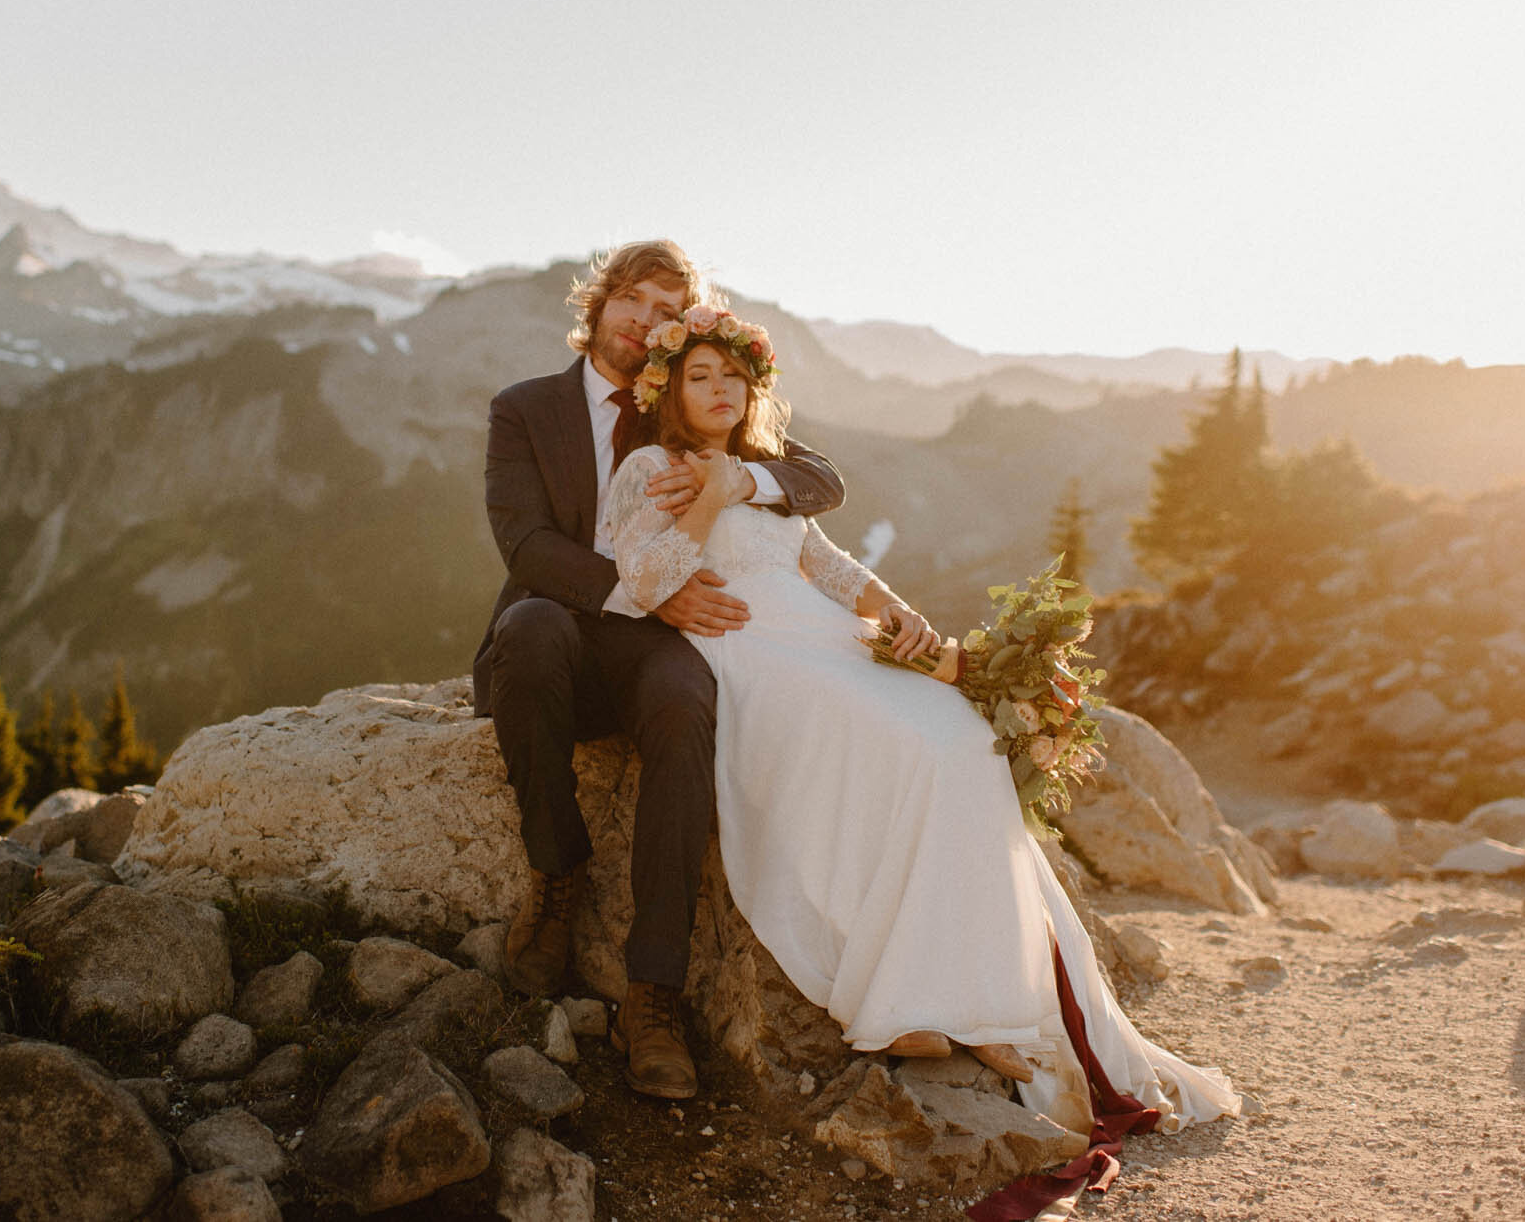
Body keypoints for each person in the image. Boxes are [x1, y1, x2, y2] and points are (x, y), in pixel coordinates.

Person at [601, 304, 1239, 1218]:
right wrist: (708, 499)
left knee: (956, 734)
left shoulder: (769, 474)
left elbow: (823, 559)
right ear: (670, 389)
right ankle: (909, 996)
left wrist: (897, 616)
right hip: (751, 653)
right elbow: (649, 577)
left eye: (732, 378)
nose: (717, 390)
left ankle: (975, 985)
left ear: (752, 389)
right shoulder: (647, 468)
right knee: (897, 746)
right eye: (699, 376)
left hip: (821, 635)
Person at [473, 240, 846, 1100]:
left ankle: (654, 990)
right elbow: (525, 544)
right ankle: (557, 872)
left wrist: (738, 485)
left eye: (666, 310)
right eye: (632, 299)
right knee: (527, 632)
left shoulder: (681, 401)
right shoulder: (525, 408)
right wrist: (651, 593)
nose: (645, 321)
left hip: (659, 649)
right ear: (599, 306)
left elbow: (818, 478)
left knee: (686, 705)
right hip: (566, 619)